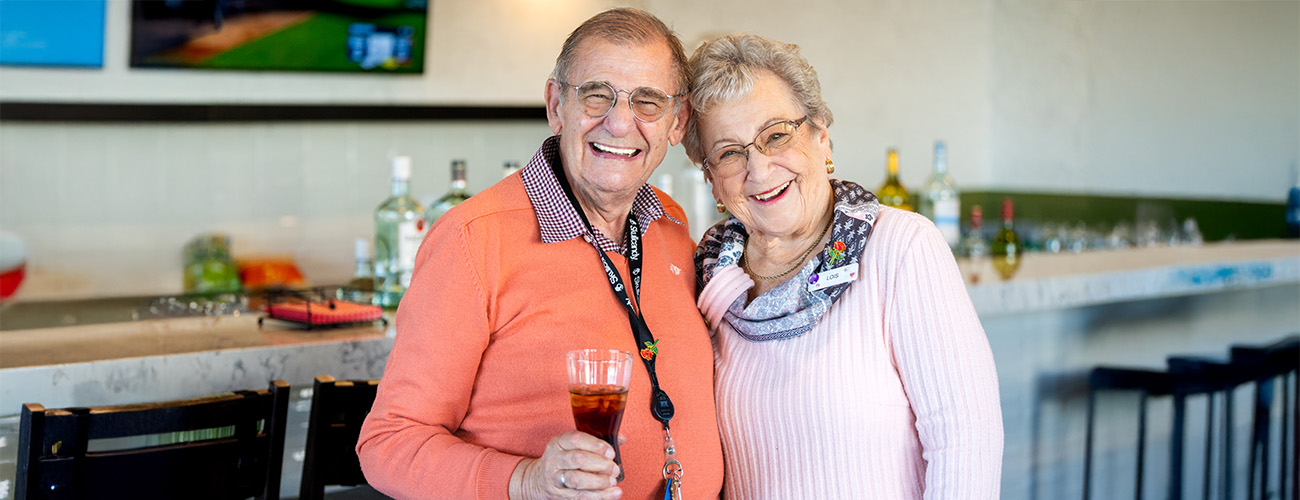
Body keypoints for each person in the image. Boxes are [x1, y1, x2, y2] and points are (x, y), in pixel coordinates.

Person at [356, 8, 724, 500]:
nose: (619, 123)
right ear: (556, 104)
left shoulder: (673, 226)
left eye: (648, 102)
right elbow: (389, 443)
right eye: (597, 95)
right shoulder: (472, 239)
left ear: (677, 123)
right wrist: (526, 481)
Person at [685, 33, 1003, 499]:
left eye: (776, 134)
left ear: (821, 135)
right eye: (730, 153)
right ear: (712, 179)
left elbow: (966, 442)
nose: (759, 168)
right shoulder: (710, 278)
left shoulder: (902, 247)